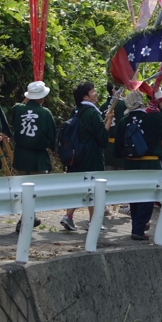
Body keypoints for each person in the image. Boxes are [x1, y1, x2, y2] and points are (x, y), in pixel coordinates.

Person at [115, 90, 162, 241]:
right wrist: (160, 99)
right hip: (150, 163)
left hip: (130, 164)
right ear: (141, 102)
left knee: (134, 195)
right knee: (148, 196)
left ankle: (138, 224)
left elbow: (118, 149)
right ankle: (138, 229)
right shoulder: (152, 119)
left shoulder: (123, 122)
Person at [61, 81, 115, 232]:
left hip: (76, 156)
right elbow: (102, 138)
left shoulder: (75, 110)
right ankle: (93, 222)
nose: (96, 93)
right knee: (94, 189)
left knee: (79, 187)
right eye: (93, 91)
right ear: (85, 96)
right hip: (91, 157)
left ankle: (69, 216)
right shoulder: (92, 113)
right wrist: (109, 120)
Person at [11, 81, 57, 177]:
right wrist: (53, 147)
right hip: (38, 158)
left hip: (20, 157)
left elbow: (21, 106)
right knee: (39, 189)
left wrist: (28, 98)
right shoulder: (45, 113)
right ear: (42, 97)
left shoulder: (17, 109)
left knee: (21, 189)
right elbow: (52, 137)